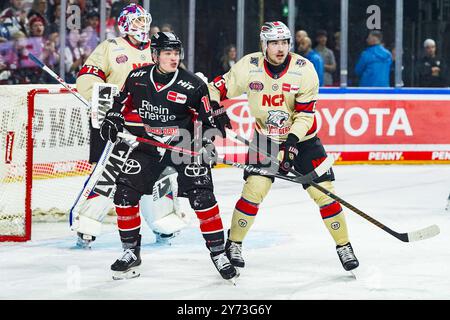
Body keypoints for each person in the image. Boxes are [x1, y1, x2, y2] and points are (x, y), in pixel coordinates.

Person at [208, 21, 359, 273]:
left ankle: (344, 246)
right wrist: (216, 106)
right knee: (253, 190)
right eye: (274, 43)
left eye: (284, 42)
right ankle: (233, 244)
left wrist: (291, 143)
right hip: (265, 140)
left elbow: (306, 115)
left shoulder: (304, 69)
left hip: (304, 140)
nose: (280, 48)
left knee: (324, 193)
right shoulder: (249, 65)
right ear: (264, 45)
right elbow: (215, 88)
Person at [101, 31, 237, 281]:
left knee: (202, 198)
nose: (174, 58)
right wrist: (114, 115)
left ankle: (219, 253)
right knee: (123, 192)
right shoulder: (137, 78)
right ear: (155, 55)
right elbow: (121, 102)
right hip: (150, 145)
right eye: (168, 53)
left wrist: (207, 140)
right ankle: (130, 251)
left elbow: (208, 121)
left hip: (184, 145)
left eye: (176, 53)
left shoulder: (193, 84)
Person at [75, 4, 182, 248]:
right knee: (107, 175)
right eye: (135, 21)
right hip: (118, 125)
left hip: (151, 126)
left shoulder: (157, 49)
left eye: (144, 21)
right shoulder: (110, 48)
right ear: (123, 23)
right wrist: (104, 98)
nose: (141, 26)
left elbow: (174, 80)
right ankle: (87, 224)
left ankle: (164, 221)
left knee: (157, 174)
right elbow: (87, 77)